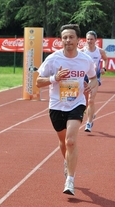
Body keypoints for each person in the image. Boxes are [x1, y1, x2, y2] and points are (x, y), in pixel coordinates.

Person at [36, 24, 98, 196]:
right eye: (64, 37)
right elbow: (38, 82)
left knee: (71, 141)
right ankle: (67, 161)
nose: (67, 40)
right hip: (56, 105)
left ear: (78, 40)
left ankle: (70, 179)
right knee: (63, 142)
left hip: (76, 104)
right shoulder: (53, 59)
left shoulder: (85, 60)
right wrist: (55, 77)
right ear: (61, 40)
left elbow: (93, 79)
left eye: (71, 37)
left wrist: (89, 87)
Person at [81, 30, 108, 132]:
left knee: (91, 100)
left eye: (91, 39)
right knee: (85, 102)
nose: (89, 41)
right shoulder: (82, 51)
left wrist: (104, 68)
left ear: (95, 40)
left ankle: (88, 123)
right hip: (84, 78)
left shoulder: (100, 51)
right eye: (87, 39)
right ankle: (91, 114)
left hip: (94, 77)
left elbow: (105, 59)